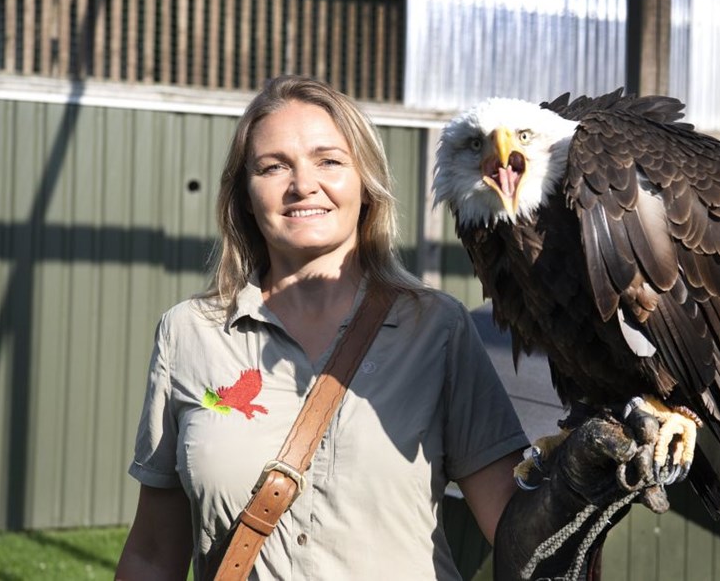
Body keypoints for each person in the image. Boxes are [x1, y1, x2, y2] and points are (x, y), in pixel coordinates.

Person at [115, 75, 530, 579]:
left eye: (329, 161)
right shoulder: (189, 334)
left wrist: (588, 478)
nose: (302, 185)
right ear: (245, 195)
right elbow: (153, 553)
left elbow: (519, 529)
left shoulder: (437, 329)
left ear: (366, 184)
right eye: (273, 167)